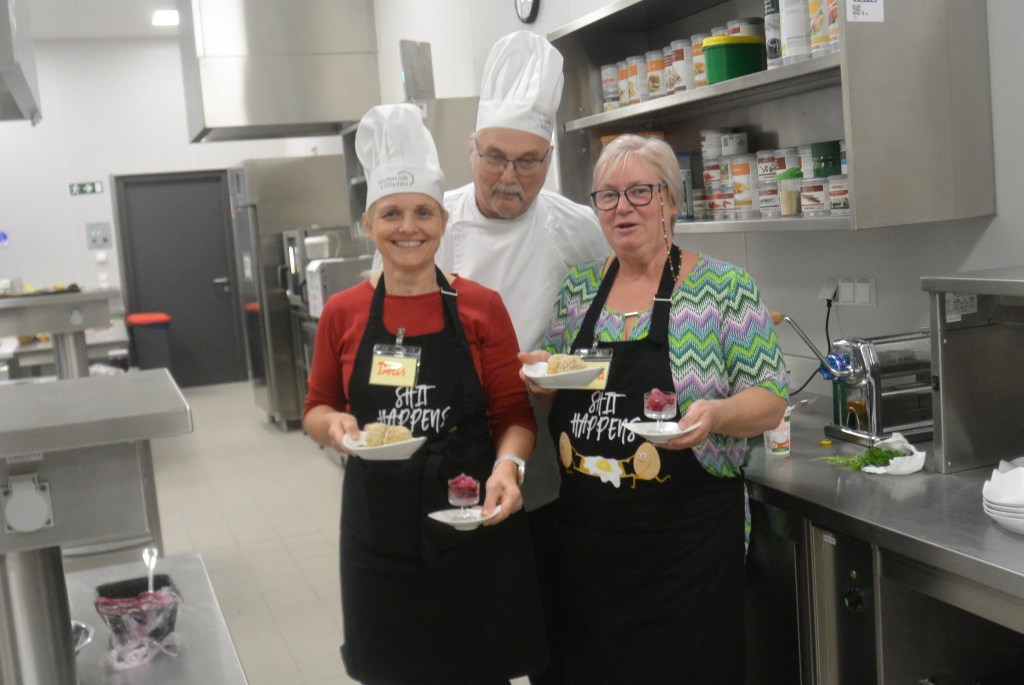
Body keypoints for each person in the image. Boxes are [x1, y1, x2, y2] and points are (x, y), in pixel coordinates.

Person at [521, 133, 789, 685]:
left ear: (670, 200)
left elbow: (769, 399)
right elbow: (558, 381)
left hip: (686, 549)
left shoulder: (723, 288)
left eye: (640, 192)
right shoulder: (579, 290)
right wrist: (542, 373)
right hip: (589, 550)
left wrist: (715, 415)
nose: (623, 208)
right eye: (608, 196)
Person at [303, 103, 547, 685]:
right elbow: (315, 408)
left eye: (422, 212)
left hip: (471, 523)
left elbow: (514, 415)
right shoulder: (344, 312)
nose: (407, 227)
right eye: (391, 213)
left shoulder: (481, 307)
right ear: (369, 224)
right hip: (378, 532)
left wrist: (508, 468)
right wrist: (335, 427)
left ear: (443, 221)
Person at [434, 32, 609, 684]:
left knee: (545, 642)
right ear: (472, 150)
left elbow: (612, 332)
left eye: (529, 161)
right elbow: (384, 353)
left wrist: (568, 370)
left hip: (542, 473)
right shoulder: (427, 226)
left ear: (549, 158)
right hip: (447, 466)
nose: (510, 177)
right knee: (463, 652)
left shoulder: (577, 229)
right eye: (496, 158)